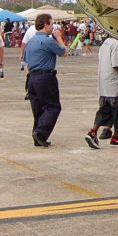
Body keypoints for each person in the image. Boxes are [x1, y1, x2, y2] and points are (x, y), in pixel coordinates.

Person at [25, 13, 67, 147]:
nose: (53, 26)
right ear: (45, 25)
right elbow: (64, 53)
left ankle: (38, 135)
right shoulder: (47, 40)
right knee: (53, 107)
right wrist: (59, 38)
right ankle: (40, 132)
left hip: (32, 77)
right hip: (45, 76)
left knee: (38, 109)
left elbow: (27, 62)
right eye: (51, 23)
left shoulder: (31, 41)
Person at [86, 31, 118, 148]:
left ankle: (93, 132)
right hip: (115, 86)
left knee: (104, 110)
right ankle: (116, 137)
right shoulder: (116, 45)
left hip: (104, 84)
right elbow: (116, 64)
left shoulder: (105, 44)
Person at [20, 21, 38, 101]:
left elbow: (24, 43)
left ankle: (28, 91)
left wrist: (22, 53)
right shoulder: (45, 30)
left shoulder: (30, 30)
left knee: (29, 72)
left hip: (30, 52)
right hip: (41, 52)